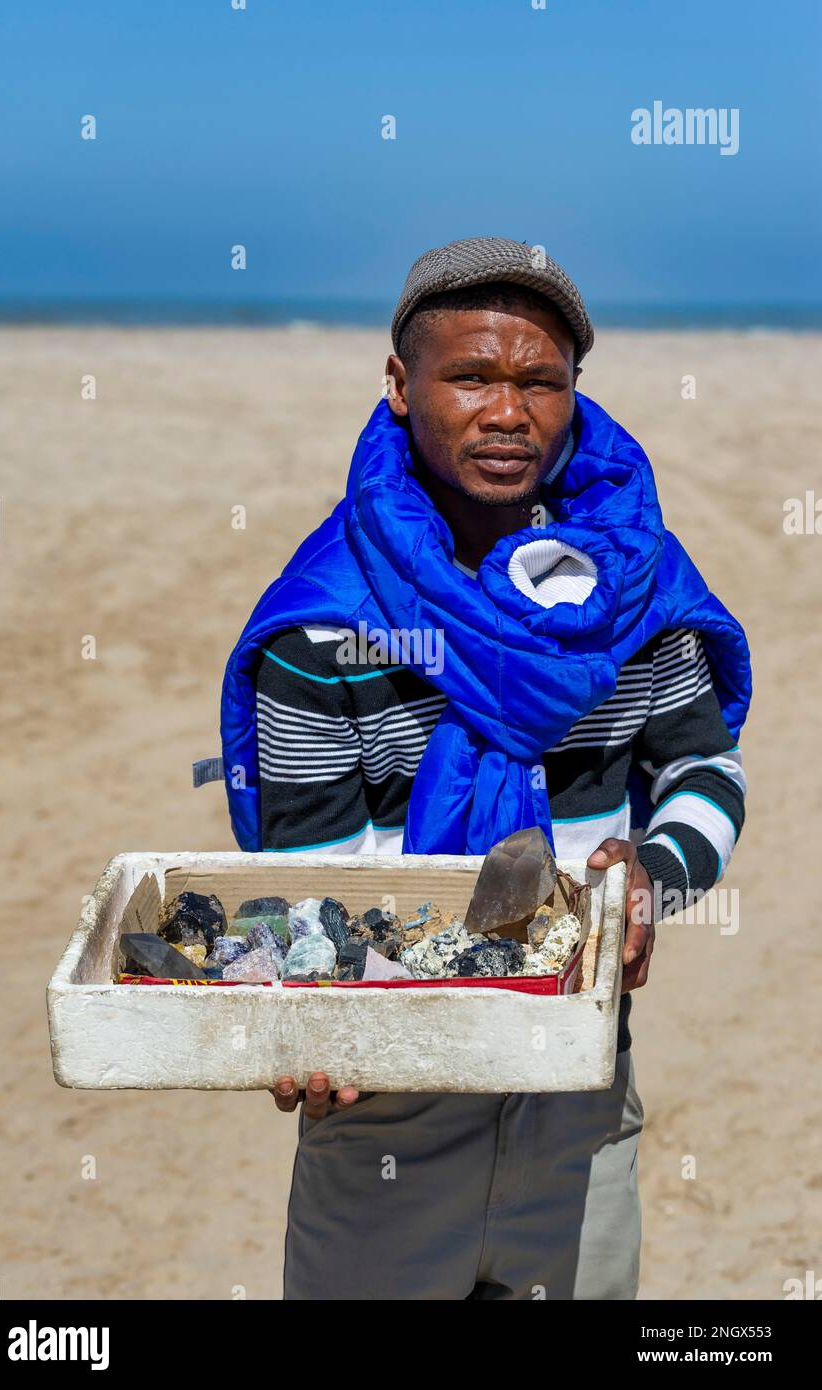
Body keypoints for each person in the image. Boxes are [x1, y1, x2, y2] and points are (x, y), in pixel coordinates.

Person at [220, 237, 751, 1299]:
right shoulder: (327, 628)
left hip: (581, 1084)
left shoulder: (636, 587)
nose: (508, 411)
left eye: (539, 381)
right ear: (400, 386)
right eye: (469, 376)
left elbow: (704, 768)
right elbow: (313, 879)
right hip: (390, 1102)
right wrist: (307, 1017)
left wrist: (655, 869)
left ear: (572, 394)